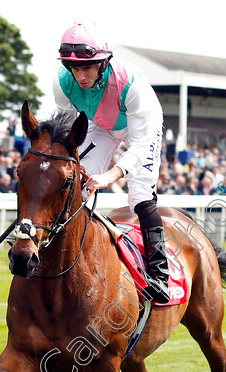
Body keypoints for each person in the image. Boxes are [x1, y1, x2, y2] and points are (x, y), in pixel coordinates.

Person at [54, 22, 169, 302]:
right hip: (101, 125)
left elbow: (140, 145)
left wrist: (111, 175)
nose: (80, 76)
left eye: (87, 68)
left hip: (140, 127)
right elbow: (67, 131)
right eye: (74, 68)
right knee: (79, 186)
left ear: (103, 62)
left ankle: (160, 273)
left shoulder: (131, 84)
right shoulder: (62, 82)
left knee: (139, 196)